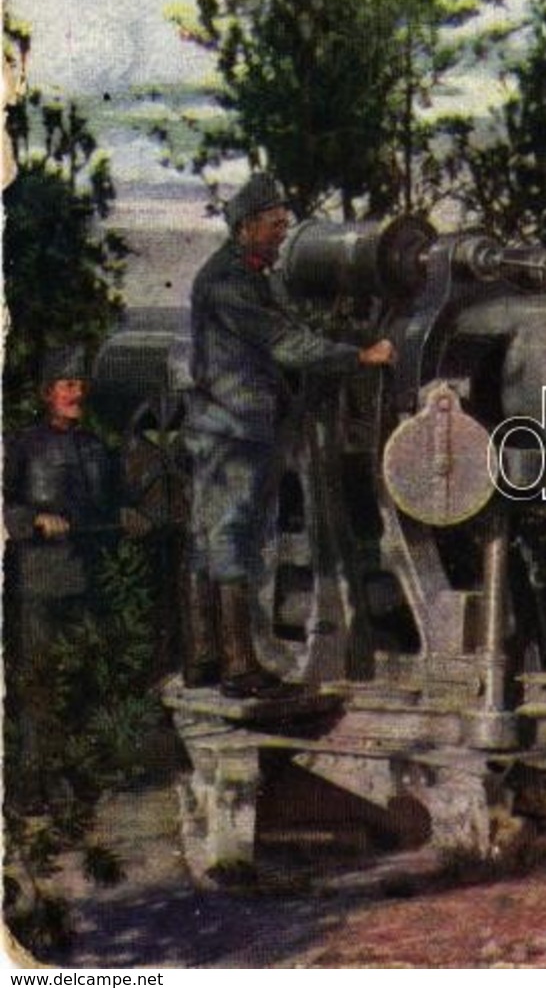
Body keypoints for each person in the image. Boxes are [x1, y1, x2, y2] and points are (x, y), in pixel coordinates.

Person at [185, 172, 396, 698]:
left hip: (231, 424)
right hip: (235, 428)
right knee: (232, 537)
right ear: (246, 227)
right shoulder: (229, 283)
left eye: (285, 226)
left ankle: (206, 660)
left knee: (213, 537)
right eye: (274, 226)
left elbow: (292, 322)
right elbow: (285, 341)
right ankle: (236, 668)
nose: (282, 234)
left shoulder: (248, 275)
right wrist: (360, 357)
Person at [3, 347, 144, 809]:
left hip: (88, 582)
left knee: (81, 679)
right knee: (39, 682)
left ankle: (75, 775)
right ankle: (31, 785)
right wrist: (33, 520)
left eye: (81, 385)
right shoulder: (21, 446)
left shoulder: (95, 447)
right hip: (41, 583)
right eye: (66, 385)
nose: (76, 393)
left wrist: (128, 514)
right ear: (48, 394)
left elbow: (117, 499)